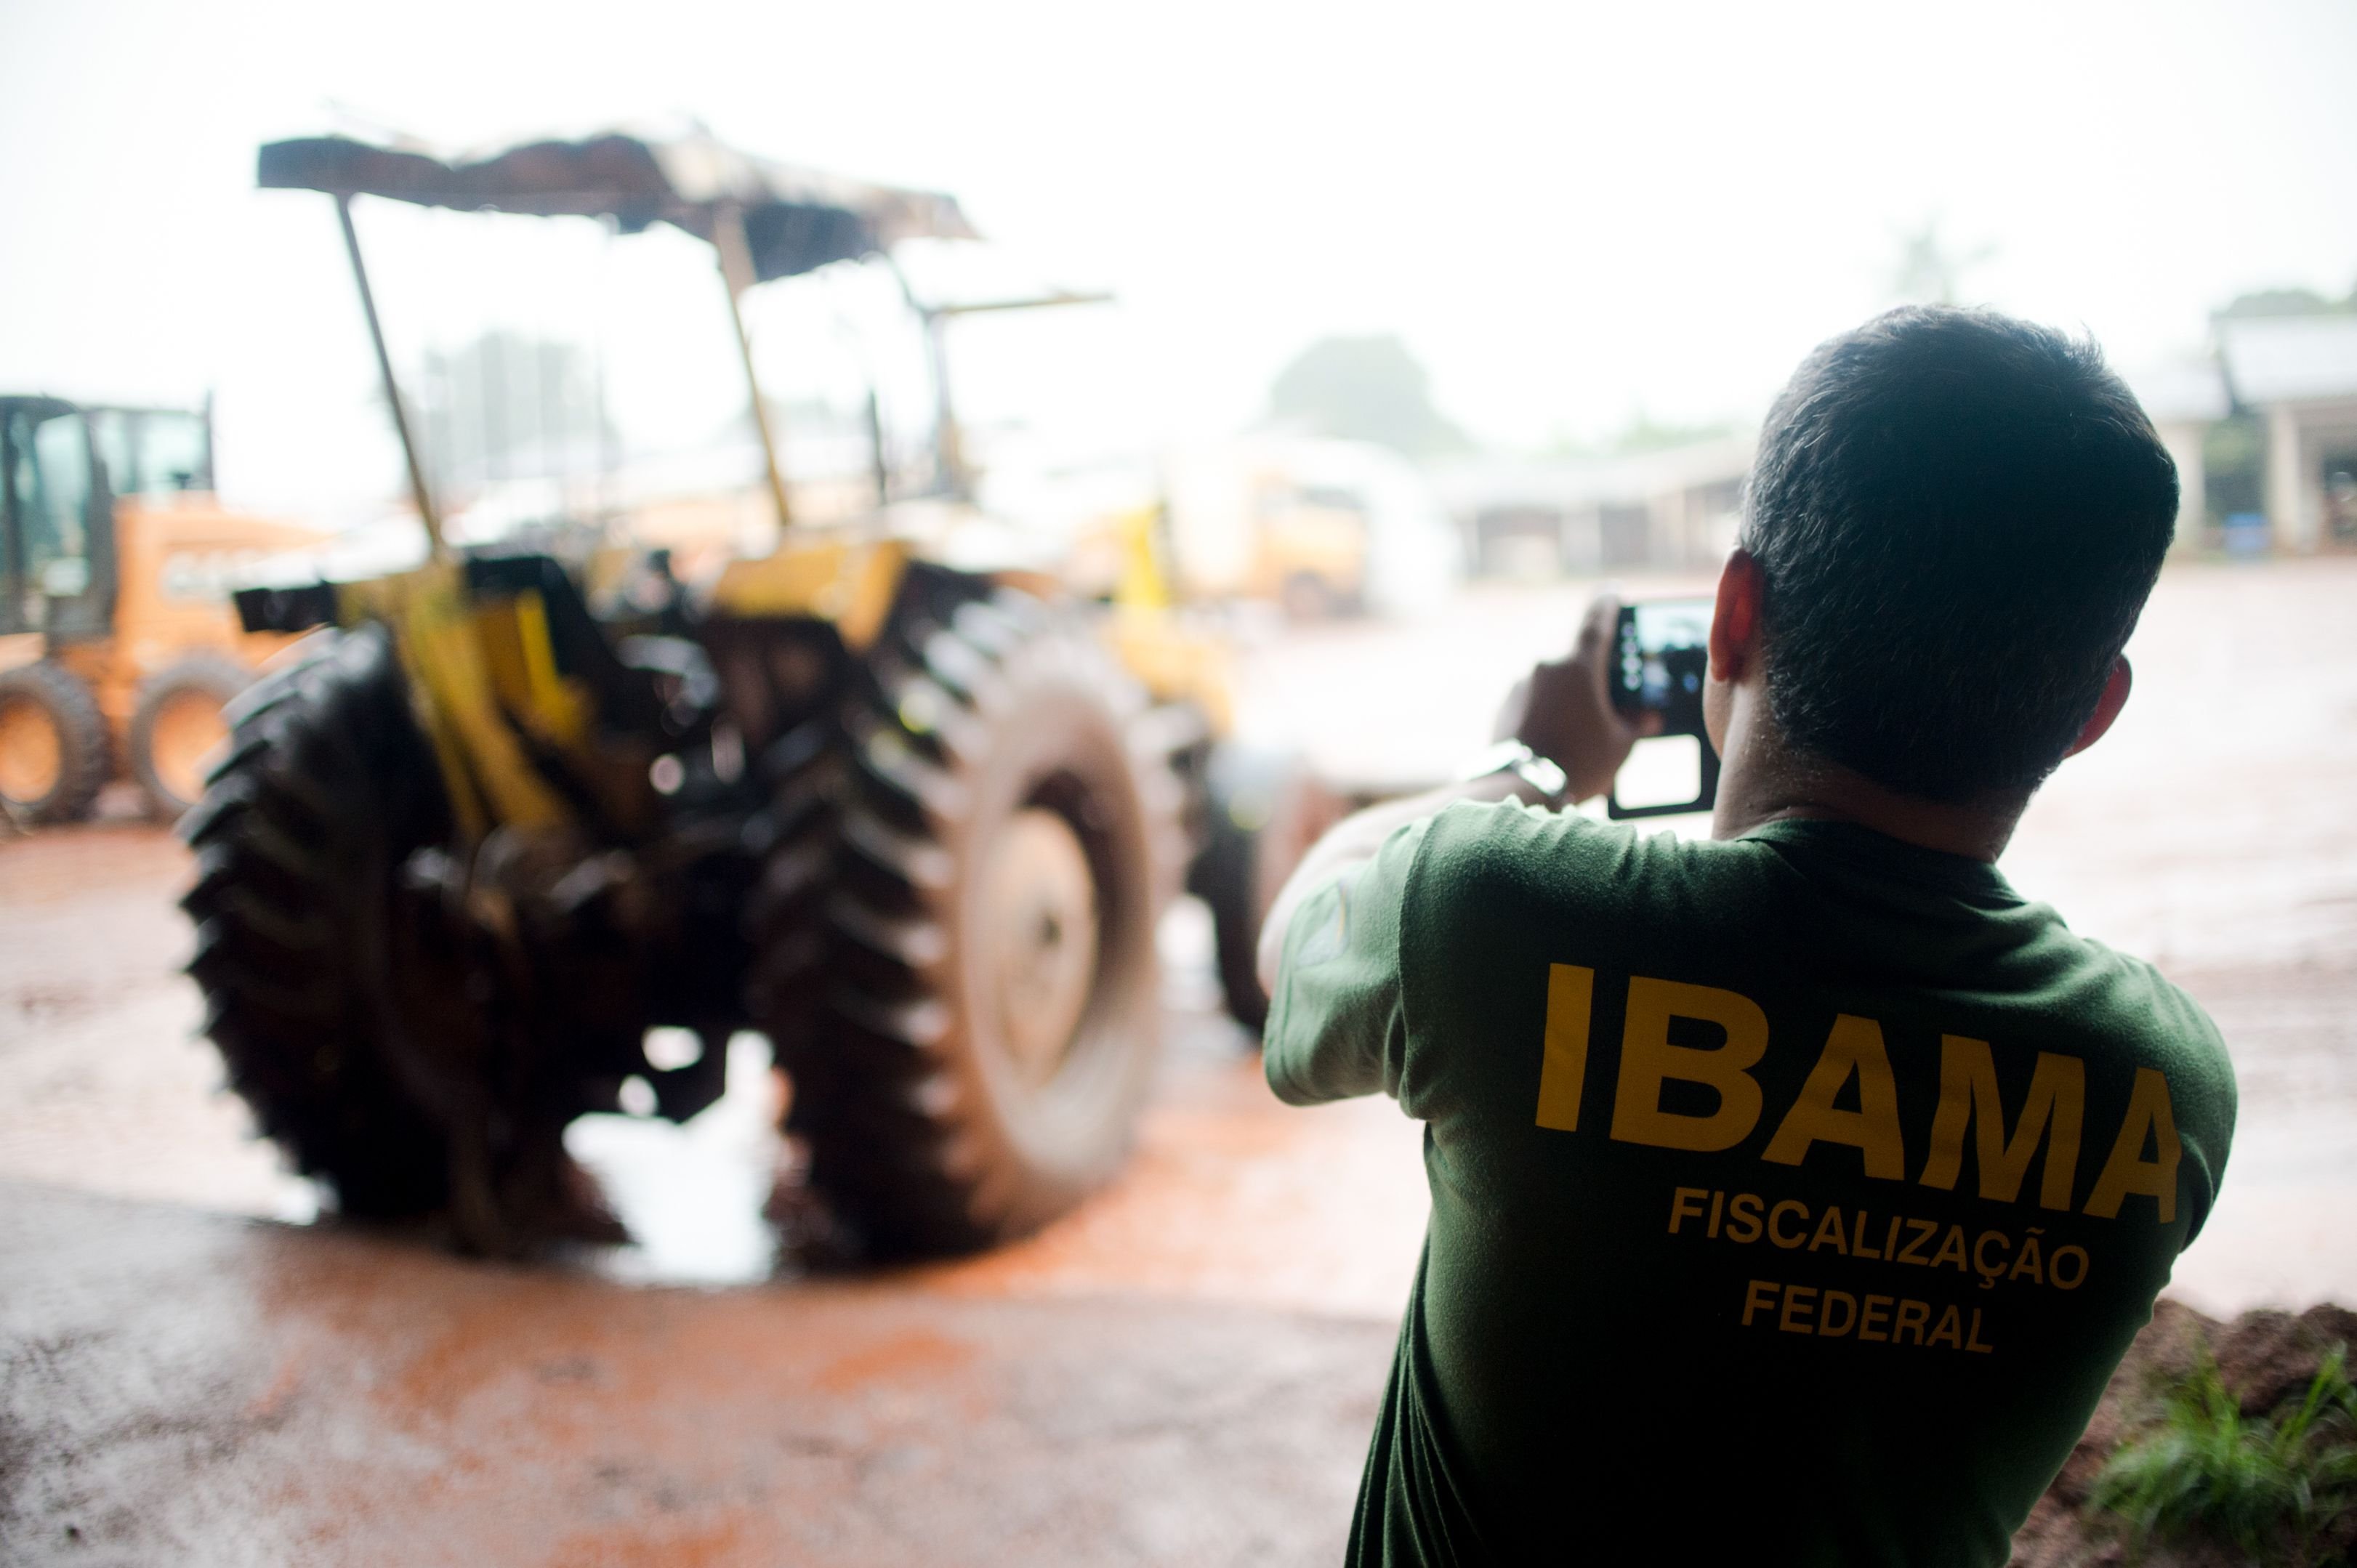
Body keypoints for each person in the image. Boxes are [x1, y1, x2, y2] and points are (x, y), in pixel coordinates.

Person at [1256, 305, 2237, 1567]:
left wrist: (1529, 763)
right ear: (2090, 711)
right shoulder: (2163, 1092)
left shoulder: (1496, 914)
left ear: (1732, 619)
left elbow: (1289, 946)